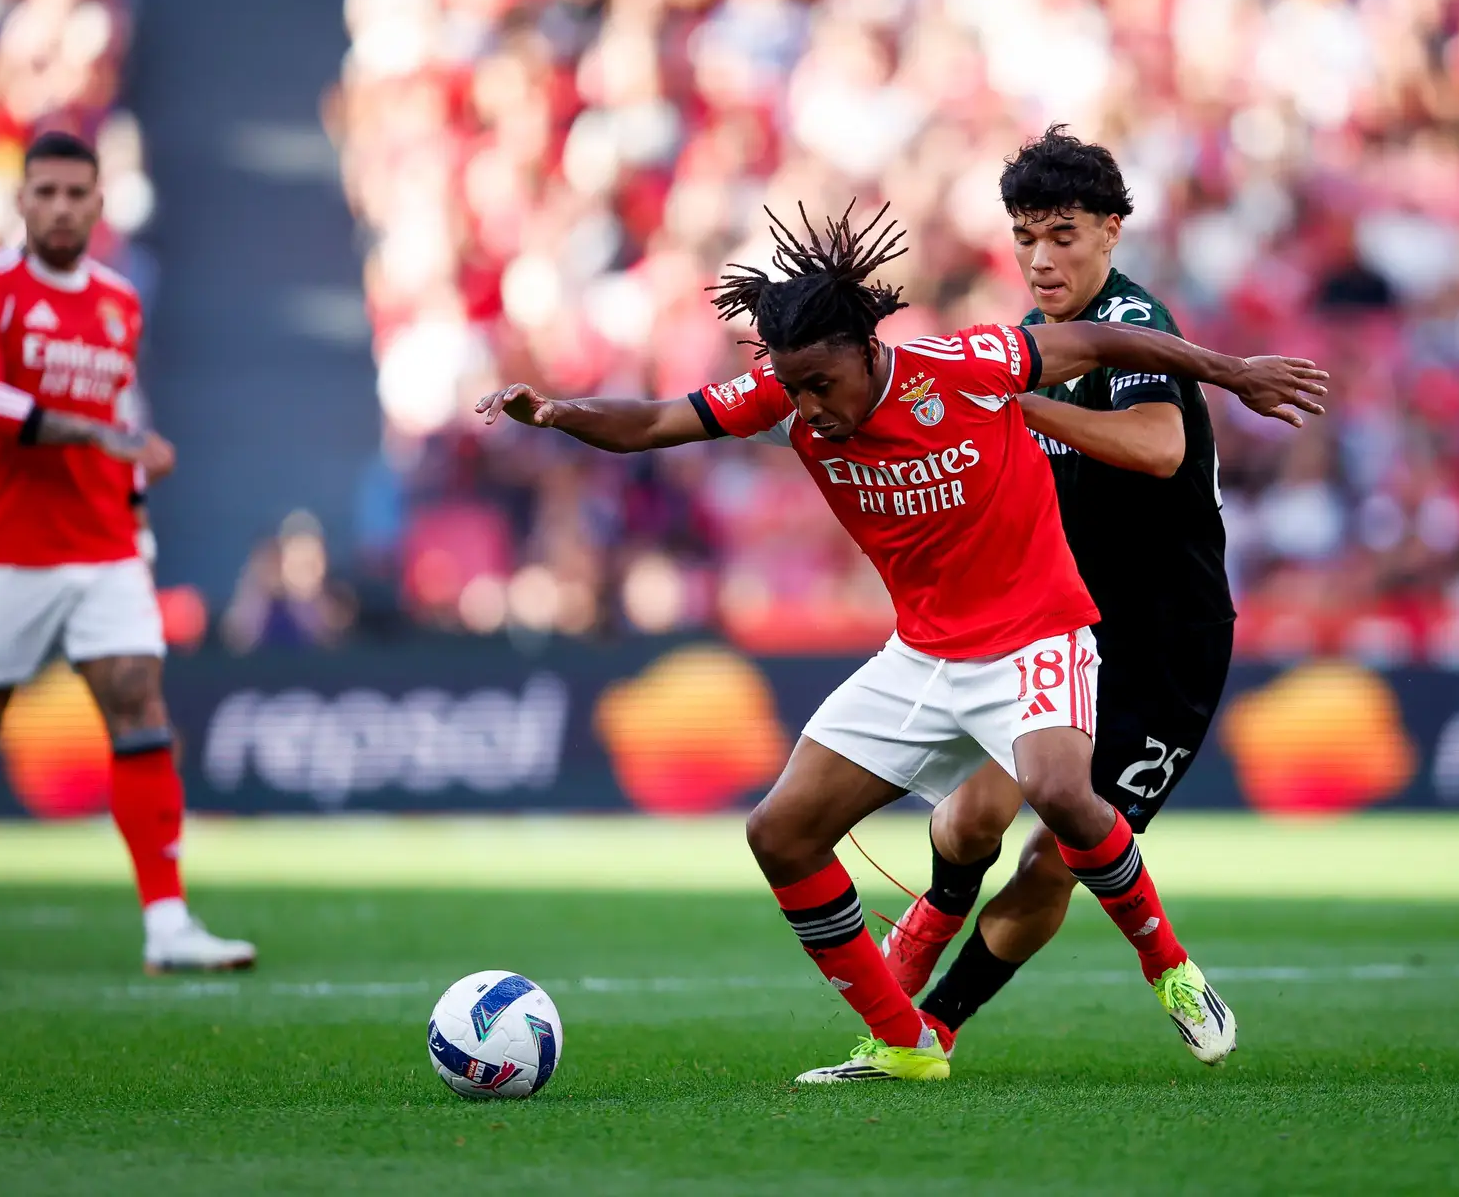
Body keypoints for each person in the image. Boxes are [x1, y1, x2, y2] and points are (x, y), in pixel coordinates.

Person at [476, 202, 1325, 1082]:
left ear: (870, 350)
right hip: (923, 656)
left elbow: (1108, 344)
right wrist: (557, 411)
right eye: (793, 389)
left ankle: (1170, 968)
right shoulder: (786, 393)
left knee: (1059, 793)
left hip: (1038, 631)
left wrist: (1232, 373)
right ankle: (904, 1042)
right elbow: (655, 424)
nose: (806, 409)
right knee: (781, 832)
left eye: (820, 386)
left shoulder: (971, 363)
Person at [878, 126, 1242, 1060]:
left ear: (1113, 233)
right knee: (965, 818)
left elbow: (1160, 447)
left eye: (1064, 235)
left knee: (1054, 857)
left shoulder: (1133, 322)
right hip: (1060, 633)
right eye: (1025, 235)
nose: (1041, 258)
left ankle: (932, 1028)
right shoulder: (1033, 342)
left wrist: (1015, 406)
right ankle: (933, 913)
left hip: (1165, 648)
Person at [0, 131, 256, 979]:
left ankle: (167, 922)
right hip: (4, 547)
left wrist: (135, 514)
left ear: (99, 205)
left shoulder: (118, 302)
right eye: (46, 192)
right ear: (22, 201)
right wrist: (100, 432)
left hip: (104, 544)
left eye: (76, 194)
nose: (61, 207)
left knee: (141, 708)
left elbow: (122, 410)